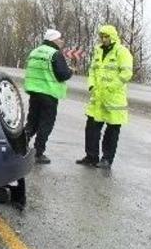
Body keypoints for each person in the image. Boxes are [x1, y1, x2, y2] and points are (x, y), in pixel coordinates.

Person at [76, 24, 133, 169]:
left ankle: (107, 159)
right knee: (91, 129)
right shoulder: (98, 51)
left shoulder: (122, 52)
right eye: (101, 36)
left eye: (106, 36)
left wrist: (110, 87)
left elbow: (126, 74)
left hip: (113, 99)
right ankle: (91, 156)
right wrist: (91, 85)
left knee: (112, 131)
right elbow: (92, 70)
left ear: (112, 37)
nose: (103, 39)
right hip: (97, 97)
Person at [24, 28, 73, 164]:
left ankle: (21, 145)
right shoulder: (54, 54)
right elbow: (62, 74)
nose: (62, 41)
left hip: (34, 91)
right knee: (46, 123)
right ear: (53, 40)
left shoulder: (35, 51)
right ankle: (38, 153)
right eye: (60, 39)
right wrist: (71, 71)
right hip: (49, 93)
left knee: (32, 121)